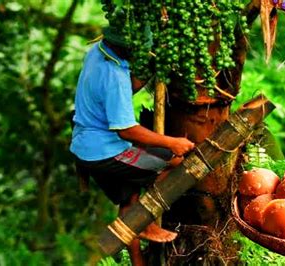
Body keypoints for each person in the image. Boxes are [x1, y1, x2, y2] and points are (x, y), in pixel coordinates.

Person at [69, 25, 195, 263]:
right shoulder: (114, 75)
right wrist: (172, 142)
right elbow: (126, 130)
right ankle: (143, 222)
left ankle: (137, 261)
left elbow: (122, 91)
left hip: (84, 145)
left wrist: (152, 68)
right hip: (105, 153)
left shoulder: (99, 51)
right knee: (176, 160)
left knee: (129, 199)